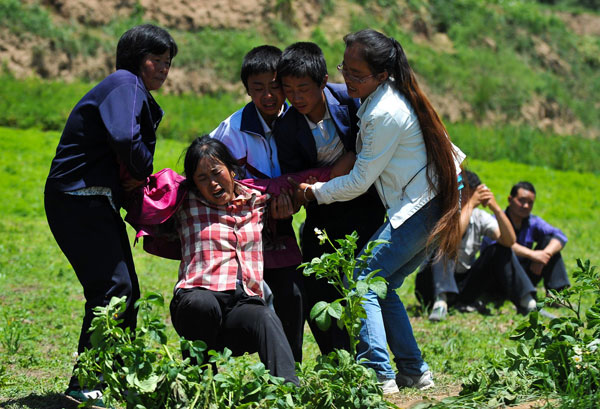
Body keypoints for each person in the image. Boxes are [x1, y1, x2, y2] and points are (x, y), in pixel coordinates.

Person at [292, 29, 465, 394]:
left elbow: (359, 180)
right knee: (381, 286)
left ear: (381, 74)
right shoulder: (381, 98)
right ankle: (414, 371)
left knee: (363, 279)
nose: (348, 80)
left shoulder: (384, 111)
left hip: (423, 204)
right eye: (346, 70)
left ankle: (378, 375)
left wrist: (315, 193)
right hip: (428, 202)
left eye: (357, 74)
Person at [43, 24, 177, 403]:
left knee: (125, 291)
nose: (163, 69)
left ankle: (112, 378)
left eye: (168, 63)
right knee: (114, 289)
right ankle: (86, 384)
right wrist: (140, 172)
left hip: (90, 200)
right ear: (137, 61)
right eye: (157, 61)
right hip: (79, 197)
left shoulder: (129, 88)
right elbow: (124, 138)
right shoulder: (125, 82)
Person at [274, 41, 386, 356]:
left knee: (362, 283)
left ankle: (369, 356)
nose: (296, 97)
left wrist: (334, 172)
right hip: (321, 210)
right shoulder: (286, 127)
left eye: (303, 88)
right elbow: (296, 180)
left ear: (324, 82)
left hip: (364, 203)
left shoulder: (351, 101)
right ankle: (336, 358)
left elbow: (362, 147)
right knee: (314, 283)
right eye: (288, 89)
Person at [168, 136, 300, 385]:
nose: (213, 183)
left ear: (232, 169)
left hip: (241, 303)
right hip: (196, 300)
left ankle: (289, 392)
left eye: (217, 173)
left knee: (265, 317)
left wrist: (295, 199)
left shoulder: (257, 202)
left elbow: (294, 185)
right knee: (202, 303)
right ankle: (201, 385)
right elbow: (147, 193)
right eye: (202, 178)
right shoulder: (185, 204)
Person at [209, 45, 304, 362]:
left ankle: (289, 376)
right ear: (246, 89)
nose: (268, 96)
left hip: (280, 225)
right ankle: (207, 370)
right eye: (258, 88)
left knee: (291, 295)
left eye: (275, 87)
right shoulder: (231, 130)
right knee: (228, 299)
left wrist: (291, 201)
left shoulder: (298, 122)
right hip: (234, 230)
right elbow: (214, 182)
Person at [414, 170, 538, 322]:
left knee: (500, 249)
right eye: (471, 195)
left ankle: (528, 303)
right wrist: (470, 204)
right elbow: (452, 238)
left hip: (462, 284)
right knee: (446, 246)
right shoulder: (443, 212)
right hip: (430, 285)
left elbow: (509, 241)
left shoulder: (479, 216)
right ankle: (441, 302)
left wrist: (496, 209)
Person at [481, 181, 570, 298]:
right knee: (500, 250)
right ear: (510, 199)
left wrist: (544, 255)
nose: (526, 206)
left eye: (530, 202)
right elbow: (498, 245)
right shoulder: (494, 221)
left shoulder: (533, 222)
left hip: (524, 273)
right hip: (498, 275)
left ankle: (557, 295)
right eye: (521, 200)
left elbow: (560, 236)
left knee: (549, 241)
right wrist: (533, 255)